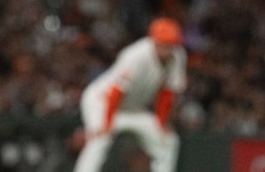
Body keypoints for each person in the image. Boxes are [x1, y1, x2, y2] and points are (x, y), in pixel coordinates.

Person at [73, 17, 187, 172]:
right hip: (102, 102)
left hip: (133, 108)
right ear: (153, 40)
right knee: (100, 139)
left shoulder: (178, 56)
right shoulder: (135, 55)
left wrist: (162, 122)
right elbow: (117, 90)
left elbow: (167, 93)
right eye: (163, 44)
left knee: (168, 139)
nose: (167, 49)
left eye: (170, 44)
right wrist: (107, 123)